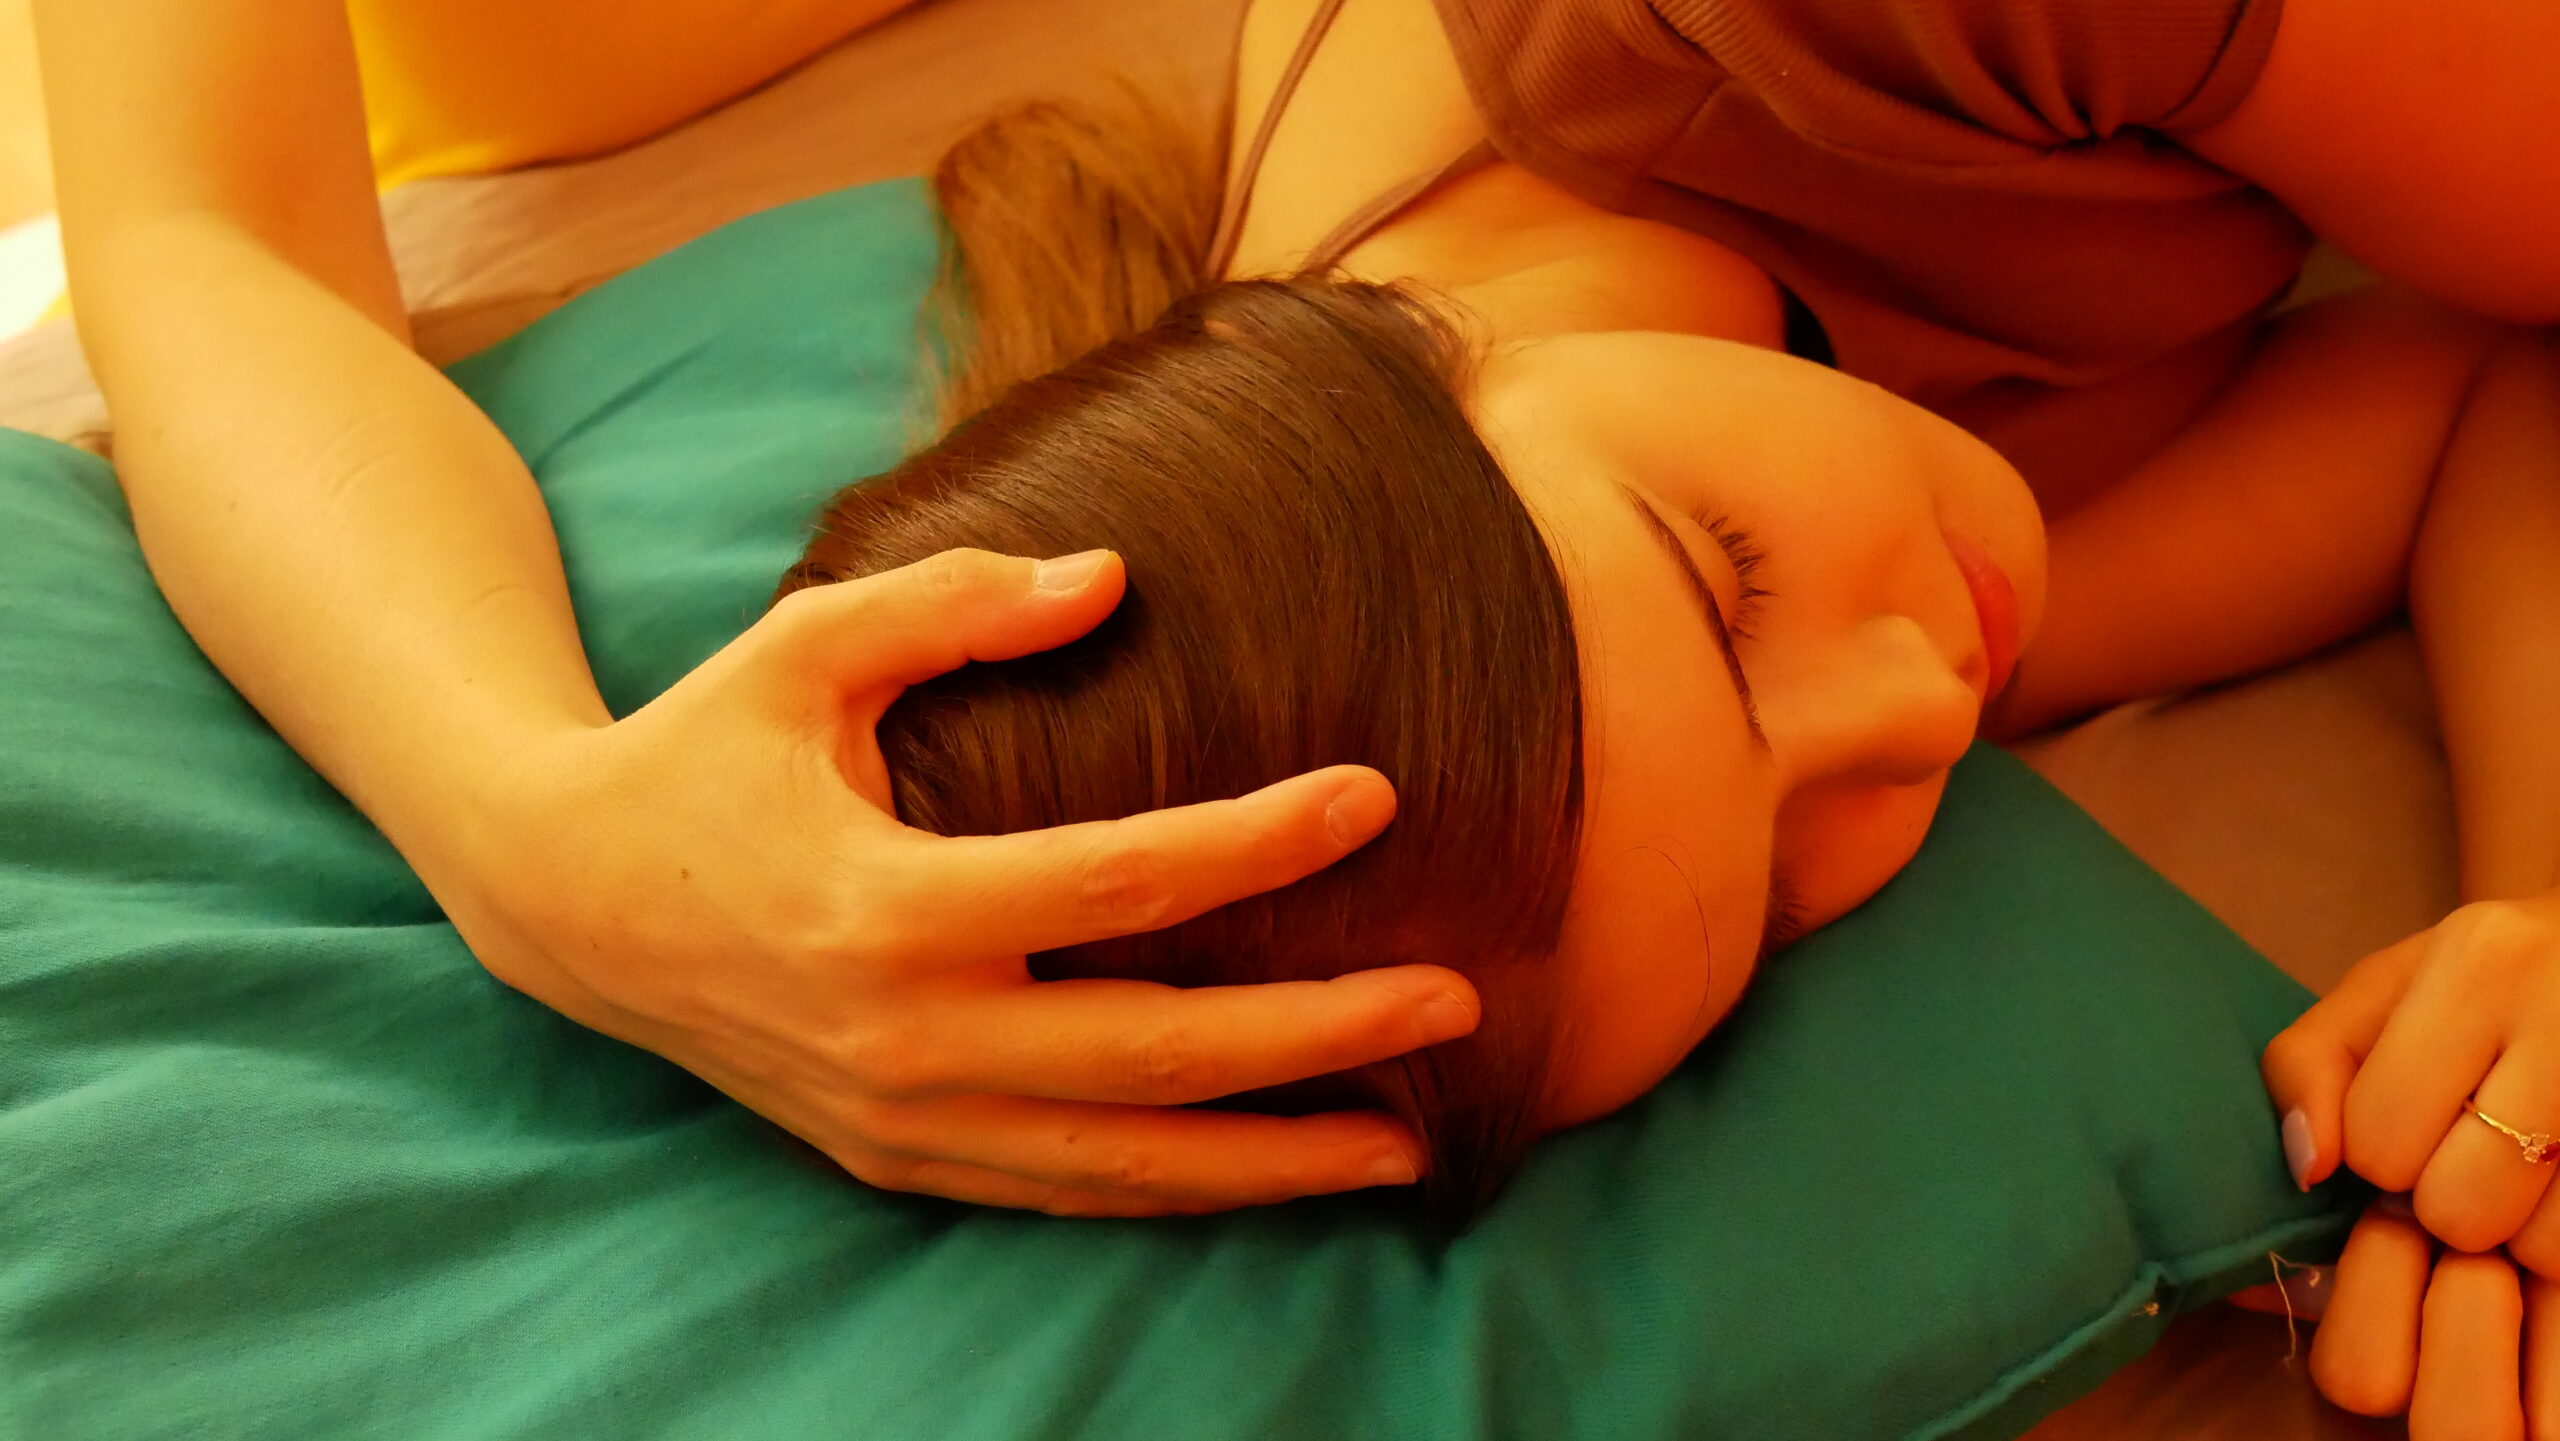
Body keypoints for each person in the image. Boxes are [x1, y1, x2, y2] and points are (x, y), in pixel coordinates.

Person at [29, 0, 2560, 1430]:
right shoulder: (1725, 621)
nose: (1925, 690)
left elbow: (211, 229)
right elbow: (2458, 404)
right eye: (1797, 874)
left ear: (1366, 364)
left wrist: (529, 837)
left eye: (1733, 577)